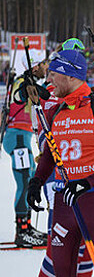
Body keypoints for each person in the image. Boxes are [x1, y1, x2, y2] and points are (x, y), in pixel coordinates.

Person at [26, 48, 94, 276]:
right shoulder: (55, 112)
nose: (50, 79)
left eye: (54, 73)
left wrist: (88, 182)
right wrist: (36, 181)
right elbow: (49, 156)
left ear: (71, 75)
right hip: (63, 207)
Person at [2, 57, 49, 247]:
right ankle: (21, 231)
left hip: (23, 137)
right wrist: (25, 89)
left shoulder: (30, 82)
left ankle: (27, 227)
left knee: (29, 180)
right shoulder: (21, 82)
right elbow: (17, 96)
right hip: (17, 138)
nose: (45, 67)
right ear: (35, 66)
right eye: (43, 64)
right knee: (24, 183)